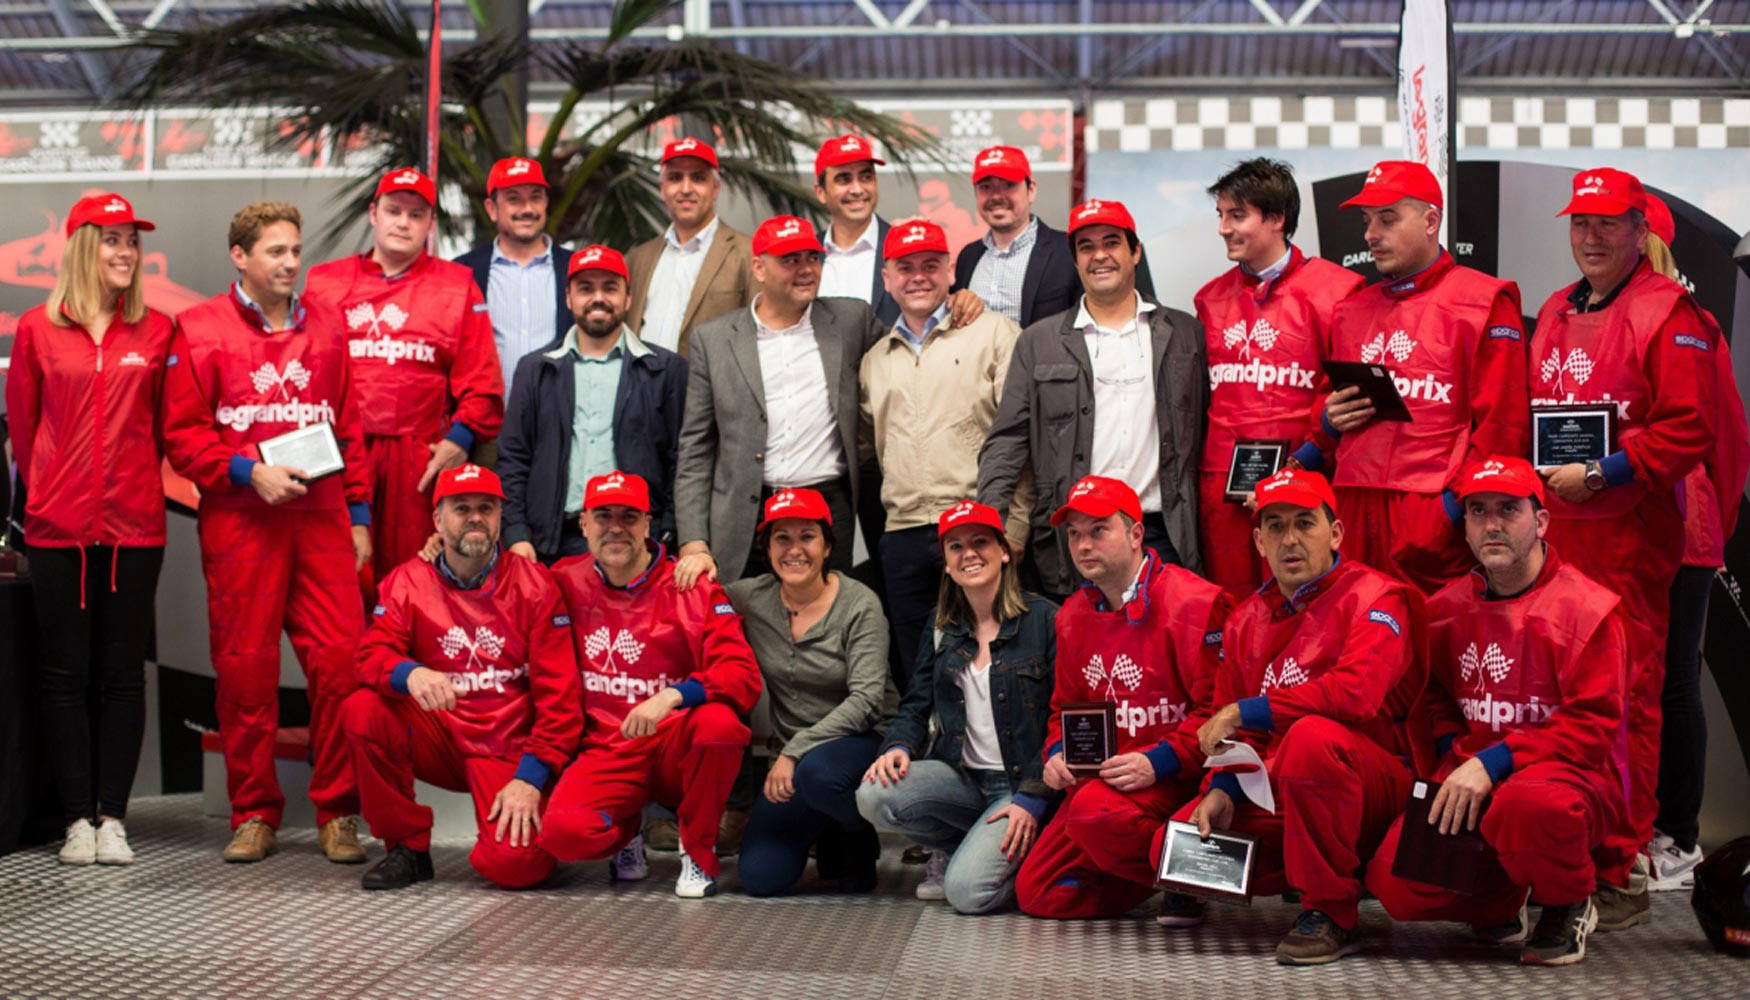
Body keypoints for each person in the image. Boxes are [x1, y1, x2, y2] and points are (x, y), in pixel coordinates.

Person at [1528, 167, 1730, 929]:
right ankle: (1563, 855)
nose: (1590, 237)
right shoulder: (1554, 308)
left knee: (1627, 701)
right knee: (1553, 697)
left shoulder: (1667, 311)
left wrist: (1607, 472)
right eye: (1580, 223)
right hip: (1557, 541)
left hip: (1630, 537)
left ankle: (1619, 869)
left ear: (1640, 228)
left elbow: (1688, 428)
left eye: (1607, 223)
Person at [160, 202, 373, 863]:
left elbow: (352, 426)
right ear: (240, 256)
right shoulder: (197, 329)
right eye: (275, 251)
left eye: (294, 251)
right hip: (243, 522)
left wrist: (361, 516)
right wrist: (248, 472)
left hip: (321, 520)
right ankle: (253, 811)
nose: (289, 262)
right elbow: (182, 437)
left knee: (340, 667)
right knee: (245, 673)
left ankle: (338, 810)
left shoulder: (332, 329)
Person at [1365, 457, 1628, 966]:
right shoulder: (1443, 609)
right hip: (1474, 777)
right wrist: (1450, 752)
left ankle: (1567, 899)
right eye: (1478, 511)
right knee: (1394, 886)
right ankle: (1503, 900)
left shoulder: (1588, 608)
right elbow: (1434, 697)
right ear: (1463, 527)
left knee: (1528, 808)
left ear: (1542, 521)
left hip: (1564, 783)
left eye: (1509, 510)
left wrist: (1495, 761)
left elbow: (1591, 730)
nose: (1492, 524)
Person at [1178, 467, 1429, 964]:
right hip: (1286, 789)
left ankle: (1331, 910)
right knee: (1177, 843)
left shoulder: (1378, 598)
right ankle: (1314, 871)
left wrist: (1247, 708)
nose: (1290, 539)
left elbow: (1356, 695)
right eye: (1275, 526)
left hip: (1380, 789)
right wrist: (1222, 793)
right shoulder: (1244, 619)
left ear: (1334, 533)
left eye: (1304, 523)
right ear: (1258, 540)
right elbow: (1236, 735)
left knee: (1311, 739)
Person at [5, 192, 173, 865]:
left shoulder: (158, 331)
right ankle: (76, 819)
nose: (126, 252)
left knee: (123, 676)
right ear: (81, 247)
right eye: (111, 240)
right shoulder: (35, 331)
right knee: (63, 676)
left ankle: (114, 818)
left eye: (131, 240)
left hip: (134, 530)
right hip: (57, 531)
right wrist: (44, 494)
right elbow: (23, 426)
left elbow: (164, 427)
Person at [345, 464, 582, 890]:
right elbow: (369, 655)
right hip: (442, 735)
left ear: (499, 518)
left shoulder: (536, 586)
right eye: (461, 508)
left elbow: (560, 701)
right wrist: (409, 672)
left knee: (516, 867)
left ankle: (525, 832)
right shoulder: (407, 581)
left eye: (486, 508)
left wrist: (531, 779)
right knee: (363, 709)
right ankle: (407, 847)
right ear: (438, 519)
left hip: (508, 747)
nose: (475, 517)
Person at [1013, 477, 1230, 921]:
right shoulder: (1072, 615)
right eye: (1074, 534)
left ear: (1135, 535)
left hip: (1180, 778)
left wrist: (1161, 761)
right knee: (1039, 894)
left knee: (1091, 812)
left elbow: (1222, 716)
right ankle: (1177, 874)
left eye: (1098, 530)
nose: (1083, 545)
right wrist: (1057, 753)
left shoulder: (1198, 603)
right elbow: (1063, 711)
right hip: (1111, 787)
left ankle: (1192, 873)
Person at [1309, 160, 1528, 595]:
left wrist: (1453, 509)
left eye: (1387, 219)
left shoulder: (1483, 300)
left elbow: (1503, 427)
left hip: (1433, 518)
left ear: (1431, 221)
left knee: (1442, 652)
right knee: (1364, 649)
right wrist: (1328, 418)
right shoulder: (1350, 309)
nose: (1371, 234)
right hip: (1354, 511)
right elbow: (1321, 409)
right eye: (1367, 221)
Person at [540, 471, 763, 898]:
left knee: (719, 726)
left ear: (648, 524)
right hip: (607, 747)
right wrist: (435, 549)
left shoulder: (689, 585)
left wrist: (673, 695)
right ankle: (627, 833)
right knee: (562, 834)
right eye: (603, 517)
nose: (616, 528)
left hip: (673, 744)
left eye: (629, 516)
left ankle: (698, 854)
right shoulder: (562, 580)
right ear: (583, 524)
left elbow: (742, 676)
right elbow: (499, 582)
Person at [978, 198, 1206, 599]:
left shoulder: (1184, 334)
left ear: (1135, 252)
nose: (1100, 255)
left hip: (1163, 534)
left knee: (1166, 658)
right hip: (1076, 540)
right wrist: (990, 524)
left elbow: (1207, 430)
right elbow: (1007, 440)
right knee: (1084, 658)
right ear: (1076, 260)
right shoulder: (1039, 341)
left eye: (1111, 243)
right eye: (1086, 247)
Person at [304, 166, 504, 584]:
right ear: (374, 213)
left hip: (418, 462)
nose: (403, 223)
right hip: (339, 455)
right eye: (395, 211)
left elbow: (483, 383)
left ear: (431, 224)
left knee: (413, 581)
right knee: (339, 580)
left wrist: (459, 441)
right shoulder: (325, 283)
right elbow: (302, 374)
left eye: (416, 216)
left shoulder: (456, 285)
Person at [855, 501, 1057, 912]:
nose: (969, 554)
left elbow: (1063, 719)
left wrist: (1034, 796)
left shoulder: (1045, 619)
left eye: (981, 542)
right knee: (873, 794)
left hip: (1020, 786)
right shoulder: (942, 625)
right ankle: (963, 846)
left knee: (967, 894)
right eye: (956, 547)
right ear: (946, 563)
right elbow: (915, 703)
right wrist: (897, 747)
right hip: (963, 779)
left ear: (1004, 551)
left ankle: (1033, 852)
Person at [859, 219, 1029, 687]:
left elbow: (1022, 437)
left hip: (977, 527)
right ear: (887, 278)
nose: (919, 276)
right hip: (904, 534)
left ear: (951, 271)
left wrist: (1014, 524)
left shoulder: (995, 334)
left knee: (995, 662)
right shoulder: (875, 360)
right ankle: (922, 756)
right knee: (917, 667)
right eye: (905, 267)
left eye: (931, 265)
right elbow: (868, 445)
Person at [673, 215, 886, 588]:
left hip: (826, 510)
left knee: (827, 630)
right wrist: (693, 540)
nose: (805, 269)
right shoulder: (714, 339)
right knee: (743, 634)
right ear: (759, 267)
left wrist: (957, 300)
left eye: (812, 258)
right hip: (746, 513)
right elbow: (695, 448)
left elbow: (910, 341)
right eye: (790, 260)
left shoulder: (852, 320)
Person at [1640, 194, 1749, 892]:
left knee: (1674, 681)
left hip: (1682, 527)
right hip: (1623, 528)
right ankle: (1637, 826)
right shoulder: (1581, 316)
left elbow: (1728, 439)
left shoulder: (1690, 321)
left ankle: (1676, 835)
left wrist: (1714, 524)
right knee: (1635, 684)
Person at [1194, 158, 1363, 596]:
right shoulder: (1209, 299)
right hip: (1223, 493)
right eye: (1220, 216)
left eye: (1237, 215)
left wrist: (1298, 464)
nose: (1223, 229)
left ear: (1276, 218)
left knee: (1308, 607)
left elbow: (1341, 401)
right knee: (1233, 613)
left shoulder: (1338, 292)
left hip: (1303, 485)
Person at [725, 489, 898, 895]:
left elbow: (867, 700)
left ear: (827, 546)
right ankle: (824, 824)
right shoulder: (751, 598)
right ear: (766, 548)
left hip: (861, 741)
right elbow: (696, 597)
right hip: (798, 764)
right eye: (781, 538)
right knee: (760, 877)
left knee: (820, 775)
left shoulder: (860, 604)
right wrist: (693, 562)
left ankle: (855, 830)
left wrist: (791, 751)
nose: (794, 549)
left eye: (807, 536)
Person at [498, 245, 686, 564]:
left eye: (609, 288)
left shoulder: (665, 370)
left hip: (637, 543)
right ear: (569, 298)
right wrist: (516, 533)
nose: (598, 297)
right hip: (550, 544)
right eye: (586, 288)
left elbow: (681, 460)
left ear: (628, 298)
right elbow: (513, 457)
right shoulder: (535, 369)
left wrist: (667, 531)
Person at [953, 147, 1156, 328]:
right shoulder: (968, 257)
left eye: (1008, 185)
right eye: (986, 187)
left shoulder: (1071, 251)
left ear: (1031, 190)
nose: (997, 196)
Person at [453, 156, 575, 404]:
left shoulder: (576, 270)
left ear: (546, 204)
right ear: (492, 209)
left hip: (559, 428)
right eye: (514, 199)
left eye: (535, 197)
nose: (527, 209)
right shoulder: (463, 272)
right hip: (485, 430)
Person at [626, 137, 755, 356]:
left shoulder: (747, 253)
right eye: (675, 178)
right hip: (644, 387)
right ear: (662, 189)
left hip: (711, 389)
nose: (686, 189)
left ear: (715, 189)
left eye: (698, 178)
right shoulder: (638, 258)